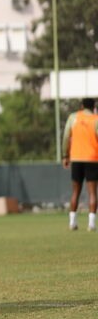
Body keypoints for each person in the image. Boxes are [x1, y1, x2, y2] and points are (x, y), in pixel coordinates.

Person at [62, 97, 98, 232]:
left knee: (75, 191)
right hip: (93, 159)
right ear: (93, 107)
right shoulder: (96, 119)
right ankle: (92, 224)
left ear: (81, 106)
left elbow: (66, 136)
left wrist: (65, 155)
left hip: (76, 158)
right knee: (93, 192)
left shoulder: (73, 117)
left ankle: (72, 223)